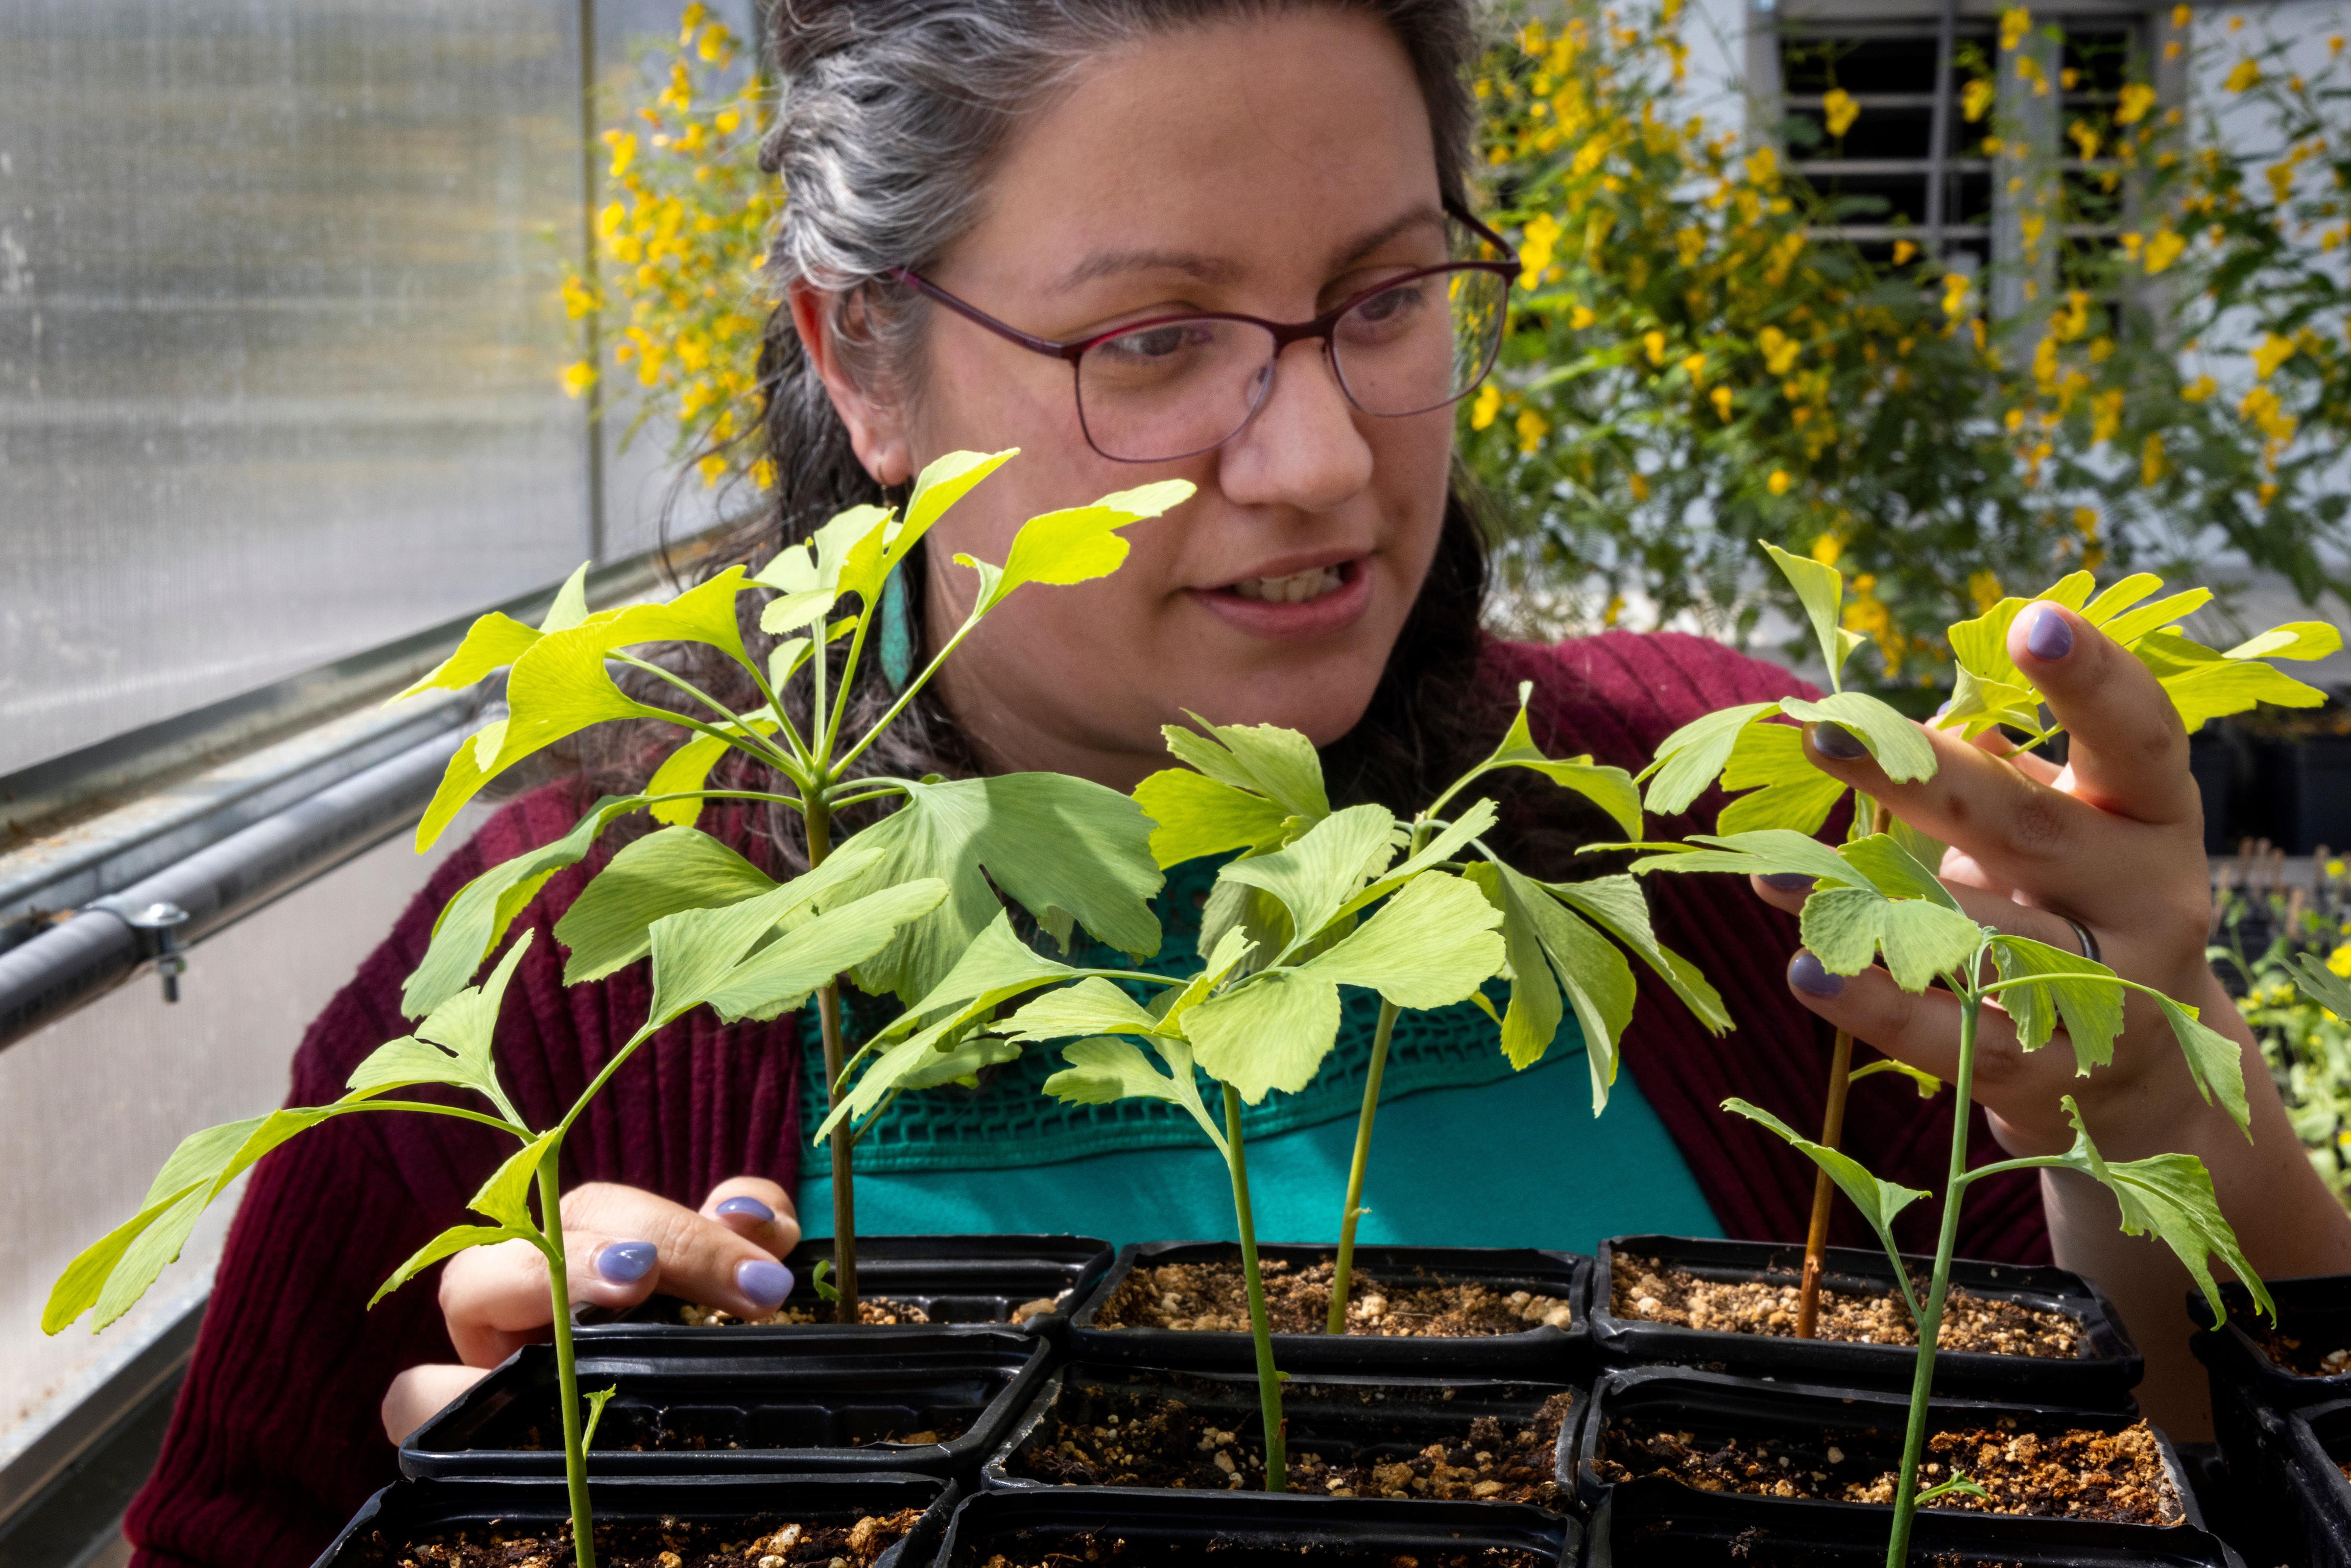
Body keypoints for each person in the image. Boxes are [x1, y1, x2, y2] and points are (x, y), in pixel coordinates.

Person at [125, 3, 2351, 1566]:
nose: (1314, 463)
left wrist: (2157, 1112)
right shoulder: (566, 989)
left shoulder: (1714, 821)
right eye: (1152, 340)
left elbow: (2141, 1462)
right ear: (862, 361)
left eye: (1385, 298)